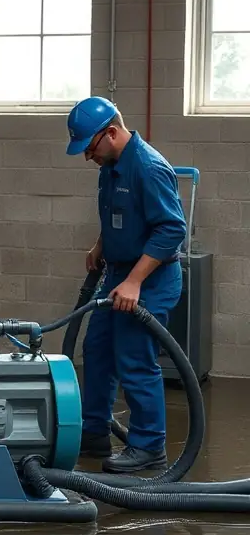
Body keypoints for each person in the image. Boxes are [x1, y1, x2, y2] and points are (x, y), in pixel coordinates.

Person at [66, 96, 187, 474]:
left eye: (89, 148)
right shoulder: (112, 163)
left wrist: (134, 281)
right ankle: (94, 430)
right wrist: (101, 246)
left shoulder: (149, 167)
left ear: (112, 133)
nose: (88, 157)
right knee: (98, 347)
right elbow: (116, 213)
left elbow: (172, 230)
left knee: (135, 357)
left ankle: (149, 446)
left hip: (150, 279)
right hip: (118, 273)